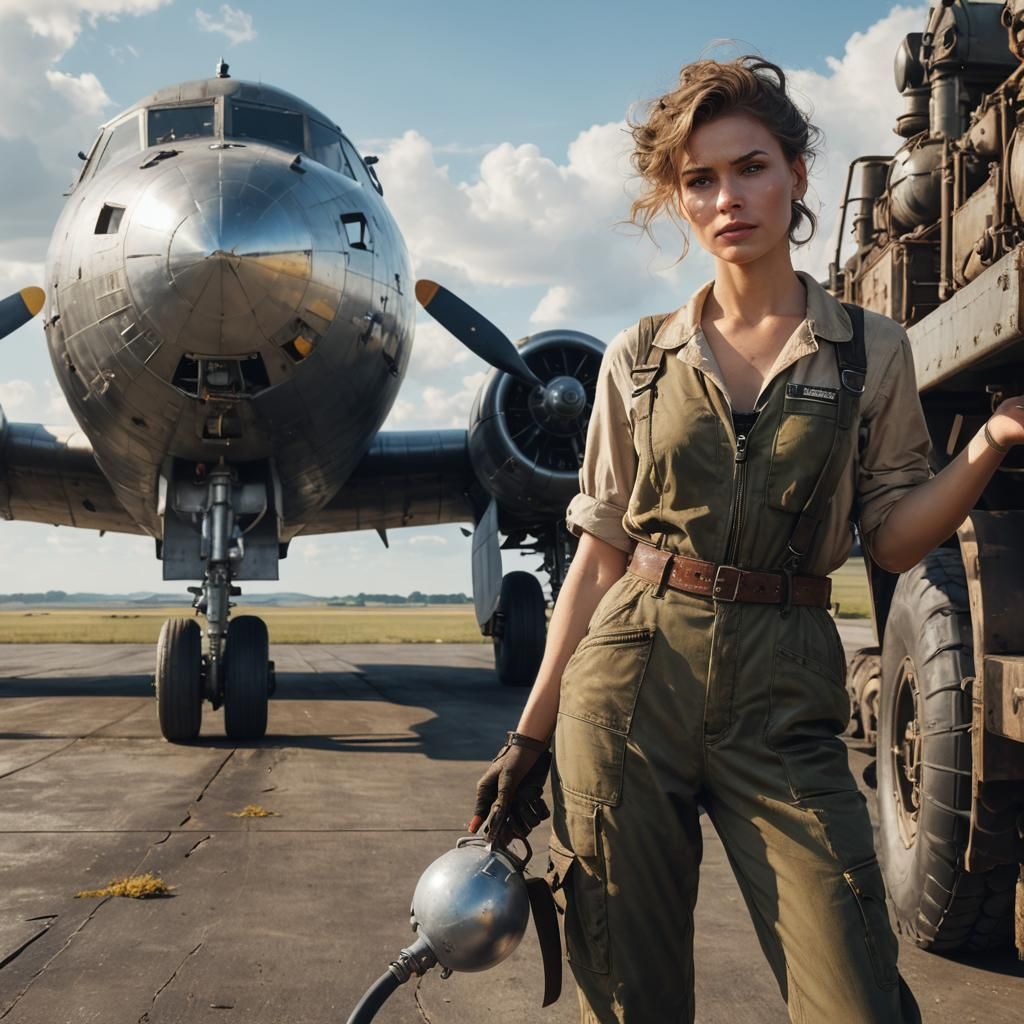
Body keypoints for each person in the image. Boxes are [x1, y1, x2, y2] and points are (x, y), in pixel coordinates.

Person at [468, 55, 1024, 1023]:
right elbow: (597, 555)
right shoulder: (637, 357)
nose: (729, 197)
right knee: (633, 999)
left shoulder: (869, 349)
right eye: (700, 179)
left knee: (856, 995)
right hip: (630, 683)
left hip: (785, 692)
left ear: (797, 174)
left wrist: (986, 443)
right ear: (674, 200)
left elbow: (890, 539)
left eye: (751, 166)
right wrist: (531, 731)